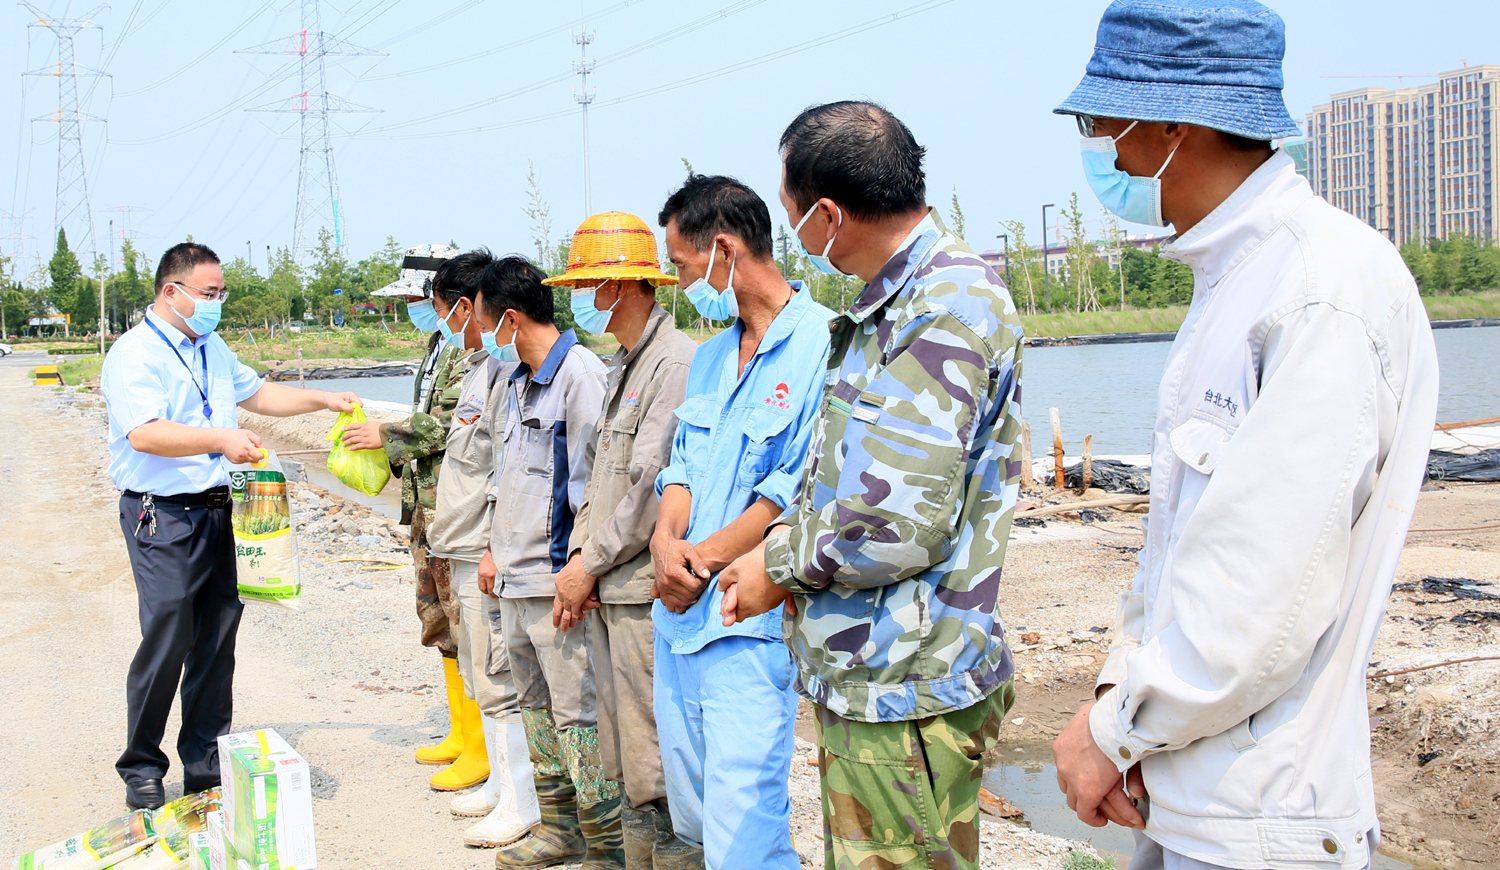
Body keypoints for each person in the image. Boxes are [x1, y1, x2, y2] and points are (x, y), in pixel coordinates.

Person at [1047, 3, 1441, 869]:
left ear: (1172, 124)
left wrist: (1110, 732)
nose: (1101, 149)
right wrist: (1120, 708)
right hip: (1185, 792)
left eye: (1100, 123)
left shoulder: (1319, 287)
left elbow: (1261, 599)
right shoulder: (1235, 278)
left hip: (1261, 815)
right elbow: (1179, 552)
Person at [717, 102, 1026, 870]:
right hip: (874, 676)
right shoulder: (892, 302)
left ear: (827, 214)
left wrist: (775, 566)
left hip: (906, 683)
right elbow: (845, 472)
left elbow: (892, 523)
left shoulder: (944, 304)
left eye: (792, 215)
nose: (795, 236)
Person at [101, 242, 360, 810]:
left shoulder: (211, 346)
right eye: (209, 293)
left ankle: (204, 761)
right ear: (172, 292)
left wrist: (324, 399)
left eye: (222, 293)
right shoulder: (134, 354)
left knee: (218, 641)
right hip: (163, 514)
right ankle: (142, 766)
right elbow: (144, 433)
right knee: (169, 634)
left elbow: (258, 393)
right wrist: (220, 439)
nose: (217, 302)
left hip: (224, 508)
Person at [651, 174, 834, 870]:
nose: (680, 282)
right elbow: (681, 469)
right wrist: (665, 544)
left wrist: (697, 563)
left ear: (724, 250)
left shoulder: (824, 345)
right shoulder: (708, 358)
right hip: (678, 620)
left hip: (744, 621)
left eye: (682, 265)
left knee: (744, 831)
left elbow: (790, 490)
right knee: (698, 817)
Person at [543, 213, 698, 870]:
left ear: (622, 285)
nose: (583, 298)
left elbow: (650, 488)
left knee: (655, 764)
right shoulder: (623, 365)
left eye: (588, 286)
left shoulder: (674, 363)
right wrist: (581, 561)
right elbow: (596, 479)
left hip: (641, 595)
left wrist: (592, 563)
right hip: (611, 589)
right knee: (624, 760)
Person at [470, 256, 618, 870]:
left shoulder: (580, 377)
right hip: (513, 577)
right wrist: (492, 548)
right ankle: (559, 828)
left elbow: (596, 484)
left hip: (556, 580)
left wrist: (581, 569)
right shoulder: (512, 380)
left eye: (487, 325)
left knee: (578, 711)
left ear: (510, 318)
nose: (485, 338)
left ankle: (605, 842)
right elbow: (505, 474)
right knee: (535, 707)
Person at [424, 249, 544, 847]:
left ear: (474, 308)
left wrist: (496, 545)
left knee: (502, 676)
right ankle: (500, 784)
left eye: (447, 311)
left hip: (485, 548)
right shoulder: (478, 369)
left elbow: (507, 470)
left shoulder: (507, 373)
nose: (448, 323)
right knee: (481, 671)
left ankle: (523, 802)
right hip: (463, 543)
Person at [340, 244, 469, 771]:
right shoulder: (439, 344)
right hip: (424, 503)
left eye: (418, 300)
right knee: (437, 616)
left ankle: (480, 743)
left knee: (465, 620)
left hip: (451, 503)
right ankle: (461, 732)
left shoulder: (467, 348)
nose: (413, 309)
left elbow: (454, 420)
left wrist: (386, 434)